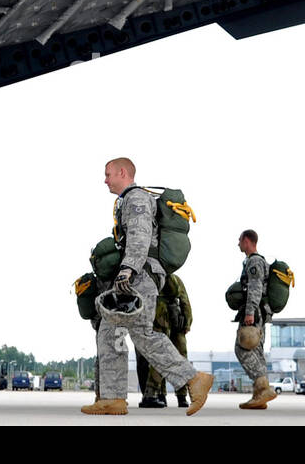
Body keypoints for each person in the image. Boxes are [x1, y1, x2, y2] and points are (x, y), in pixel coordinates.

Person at [82, 158, 213, 416]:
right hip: (138, 274)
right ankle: (113, 398)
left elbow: (140, 234)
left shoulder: (137, 198)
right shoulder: (128, 200)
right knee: (113, 332)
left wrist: (127, 269)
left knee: (138, 335)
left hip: (139, 275)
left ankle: (193, 379)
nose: (105, 179)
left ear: (123, 172)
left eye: (108, 174)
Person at [233, 230, 276, 409]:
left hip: (255, 312)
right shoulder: (257, 260)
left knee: (242, 348)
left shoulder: (255, 261)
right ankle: (260, 396)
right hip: (260, 312)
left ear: (247, 240)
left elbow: (255, 287)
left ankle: (262, 387)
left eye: (239, 240)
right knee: (256, 351)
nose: (238, 244)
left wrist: (250, 311)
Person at [140, 272, 193, 408]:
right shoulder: (175, 279)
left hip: (157, 316)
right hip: (176, 319)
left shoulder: (151, 279)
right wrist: (187, 323)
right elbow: (185, 301)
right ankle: (182, 397)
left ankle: (160, 395)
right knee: (181, 357)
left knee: (159, 357)